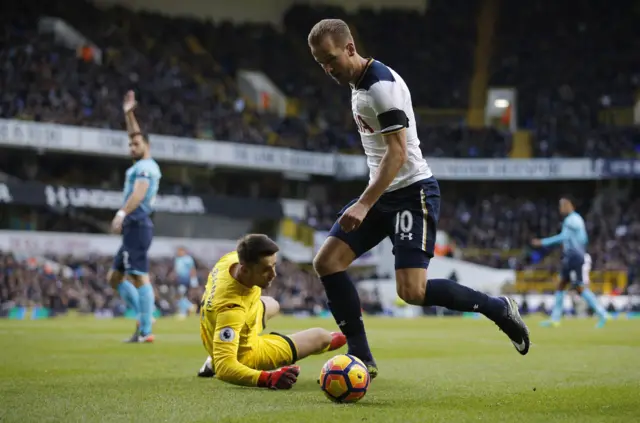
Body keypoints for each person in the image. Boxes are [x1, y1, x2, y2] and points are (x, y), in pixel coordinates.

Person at [307, 19, 530, 378]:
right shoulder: (358, 81)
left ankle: (497, 308)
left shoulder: (380, 87)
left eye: (331, 59)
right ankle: (361, 355)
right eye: (321, 63)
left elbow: (396, 155)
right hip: (384, 191)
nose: (328, 69)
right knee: (327, 262)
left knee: (412, 291)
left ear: (350, 48)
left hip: (412, 194)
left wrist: (363, 203)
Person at [197, 234, 346, 389]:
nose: (274, 274)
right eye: (266, 269)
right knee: (322, 337)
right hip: (247, 353)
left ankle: (216, 354)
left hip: (218, 327)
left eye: (274, 265)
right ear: (245, 270)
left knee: (273, 304)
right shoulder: (231, 310)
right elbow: (225, 367)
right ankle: (215, 359)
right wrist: (267, 378)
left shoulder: (229, 260)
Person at [108, 90, 162, 343]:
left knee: (139, 276)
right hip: (134, 226)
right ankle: (143, 316)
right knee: (115, 278)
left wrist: (121, 212)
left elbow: (139, 193)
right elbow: (135, 134)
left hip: (138, 223)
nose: (131, 146)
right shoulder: (142, 164)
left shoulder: (146, 168)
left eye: (136, 144)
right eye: (130, 144)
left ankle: (146, 329)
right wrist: (129, 113)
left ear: (147, 146)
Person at [532, 196, 610, 328]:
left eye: (562, 206)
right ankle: (555, 319)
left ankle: (602, 313)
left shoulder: (570, 220)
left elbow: (563, 237)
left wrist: (542, 242)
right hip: (574, 255)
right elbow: (584, 239)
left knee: (578, 287)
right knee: (561, 285)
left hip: (573, 256)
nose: (561, 209)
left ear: (569, 206)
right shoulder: (578, 219)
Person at [174, 247, 198, 318]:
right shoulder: (177, 259)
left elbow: (192, 269)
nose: (179, 253)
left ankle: (184, 311)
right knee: (181, 295)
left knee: (181, 294)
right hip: (179, 279)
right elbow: (177, 270)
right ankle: (190, 306)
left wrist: (193, 279)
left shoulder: (188, 259)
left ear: (184, 251)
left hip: (185, 279)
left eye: (180, 251)